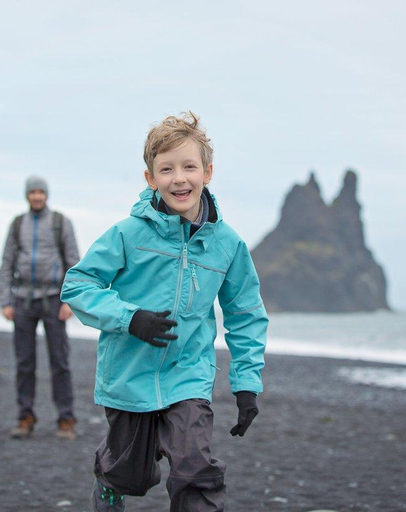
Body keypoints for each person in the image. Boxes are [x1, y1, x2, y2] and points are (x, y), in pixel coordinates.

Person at [61, 112, 267, 511]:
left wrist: (247, 383)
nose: (179, 178)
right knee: (129, 475)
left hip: (188, 373)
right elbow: (77, 285)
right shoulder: (128, 233)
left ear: (207, 172)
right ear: (150, 178)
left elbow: (245, 313)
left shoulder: (228, 244)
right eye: (166, 169)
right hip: (128, 375)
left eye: (189, 167)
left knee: (195, 466)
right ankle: (109, 486)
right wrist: (130, 318)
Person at [0, 176, 81, 440]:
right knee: (24, 362)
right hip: (22, 300)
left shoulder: (60, 222)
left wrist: (71, 300)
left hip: (54, 298)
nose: (37, 196)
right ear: (27, 195)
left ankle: (65, 419)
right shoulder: (17, 224)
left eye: (40, 192)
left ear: (47, 195)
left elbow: (73, 262)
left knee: (60, 362)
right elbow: (7, 262)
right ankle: (25, 418)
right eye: (32, 192)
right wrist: (6, 301)